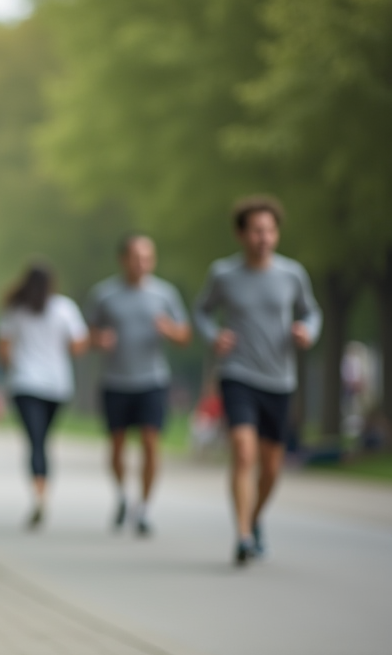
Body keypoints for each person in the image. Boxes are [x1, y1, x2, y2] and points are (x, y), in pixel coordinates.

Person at [193, 196, 321, 565]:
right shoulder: (223, 274)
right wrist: (212, 335)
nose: (263, 237)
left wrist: (307, 331)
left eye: (270, 230)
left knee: (271, 467)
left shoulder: (292, 274)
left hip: (279, 379)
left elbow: (312, 312)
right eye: (256, 230)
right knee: (243, 450)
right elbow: (202, 311)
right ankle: (243, 534)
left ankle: (255, 516)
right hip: (238, 373)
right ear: (240, 234)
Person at [85, 235, 191, 536]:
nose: (142, 264)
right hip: (115, 381)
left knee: (150, 442)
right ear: (123, 260)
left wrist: (169, 330)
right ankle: (121, 495)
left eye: (148, 258)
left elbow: (184, 336)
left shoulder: (165, 294)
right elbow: (87, 335)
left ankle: (144, 508)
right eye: (136, 257)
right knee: (116, 444)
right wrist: (99, 340)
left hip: (152, 380)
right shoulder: (104, 295)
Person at [0, 264, 89, 529]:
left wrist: (14, 368)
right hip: (57, 385)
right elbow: (79, 345)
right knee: (43, 440)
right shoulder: (65, 308)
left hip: (25, 383)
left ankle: (39, 494)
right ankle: (42, 488)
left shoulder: (15, 309)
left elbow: (3, 349)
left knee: (35, 441)